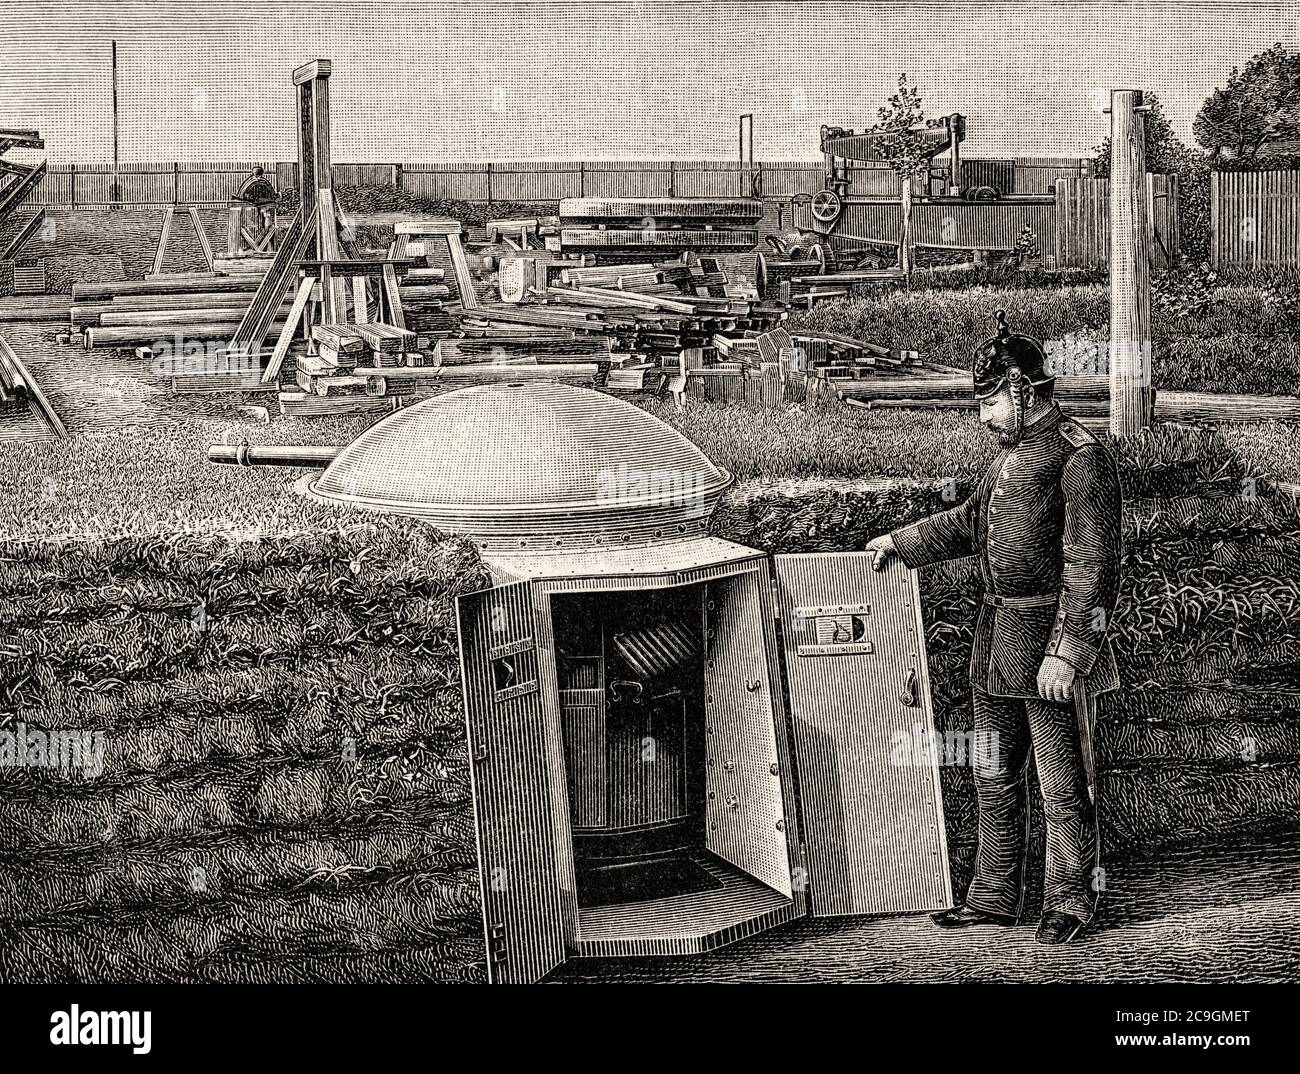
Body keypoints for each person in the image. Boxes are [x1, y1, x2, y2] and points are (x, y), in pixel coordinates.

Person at [865, 310, 1122, 945]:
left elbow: (1091, 567)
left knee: (1060, 779)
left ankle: (1070, 901)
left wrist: (1070, 652)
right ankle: (994, 895)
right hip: (998, 638)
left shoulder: (1080, 457)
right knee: (992, 768)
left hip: (1048, 641)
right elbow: (969, 522)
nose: (984, 415)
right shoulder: (1007, 459)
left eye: (992, 400)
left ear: (1026, 391)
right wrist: (901, 541)